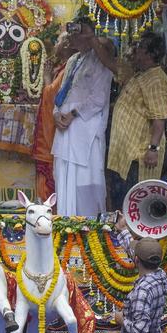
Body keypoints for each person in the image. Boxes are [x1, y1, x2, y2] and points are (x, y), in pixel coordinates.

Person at [51, 15, 116, 217]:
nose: (72, 37)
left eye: (78, 32)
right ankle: (65, 222)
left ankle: (87, 228)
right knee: (63, 177)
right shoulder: (73, 59)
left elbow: (99, 98)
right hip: (64, 130)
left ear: (88, 35)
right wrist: (56, 114)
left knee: (85, 181)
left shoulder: (100, 60)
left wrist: (72, 114)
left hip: (85, 131)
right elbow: (62, 93)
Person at [105, 33, 167, 211]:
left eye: (141, 47)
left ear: (151, 54)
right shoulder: (141, 74)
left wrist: (153, 149)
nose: (136, 50)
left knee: (133, 206)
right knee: (121, 203)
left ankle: (135, 238)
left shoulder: (156, 79)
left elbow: (159, 118)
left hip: (140, 156)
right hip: (126, 155)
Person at [32, 32, 74, 200]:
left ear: (65, 45)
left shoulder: (66, 70)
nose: (55, 44)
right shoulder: (63, 67)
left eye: (57, 40)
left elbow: (52, 97)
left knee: (50, 179)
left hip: (53, 135)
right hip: (52, 132)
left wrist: (47, 78)